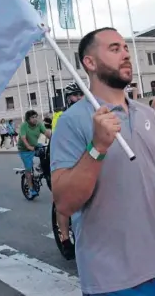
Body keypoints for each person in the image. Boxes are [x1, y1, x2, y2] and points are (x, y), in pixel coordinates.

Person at [50, 27, 155, 296]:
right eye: (114, 49)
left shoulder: (146, 114)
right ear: (89, 63)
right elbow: (66, 203)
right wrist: (98, 146)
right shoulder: (71, 122)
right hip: (111, 278)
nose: (126, 54)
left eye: (126, 48)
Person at [47, 81, 85, 260]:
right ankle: (64, 238)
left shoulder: (90, 113)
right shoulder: (60, 116)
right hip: (62, 160)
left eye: (81, 94)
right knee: (61, 199)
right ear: (68, 97)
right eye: (74, 95)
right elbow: (57, 139)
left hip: (86, 160)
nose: (78, 98)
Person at [17, 110, 51, 199]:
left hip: (34, 145)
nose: (35, 119)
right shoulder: (24, 126)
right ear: (28, 119)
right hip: (24, 149)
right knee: (28, 169)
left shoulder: (39, 124)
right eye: (32, 117)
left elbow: (47, 133)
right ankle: (31, 189)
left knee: (46, 152)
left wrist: (54, 138)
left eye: (36, 116)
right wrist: (28, 147)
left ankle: (40, 166)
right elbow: (23, 138)